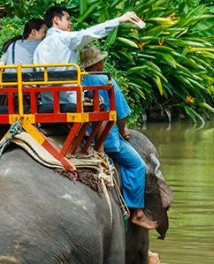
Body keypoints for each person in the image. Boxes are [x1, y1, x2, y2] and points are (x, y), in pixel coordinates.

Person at [80, 45, 158, 230]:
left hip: (83, 135)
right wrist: (123, 131)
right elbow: (120, 113)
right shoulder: (106, 81)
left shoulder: (78, 80)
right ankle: (137, 213)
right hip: (106, 139)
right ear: (98, 62)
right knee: (136, 165)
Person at [33, 5, 145, 104]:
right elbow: (90, 33)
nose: (70, 23)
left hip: (48, 101)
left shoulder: (39, 47)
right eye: (67, 19)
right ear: (56, 20)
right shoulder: (65, 39)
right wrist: (119, 20)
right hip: (68, 99)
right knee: (100, 102)